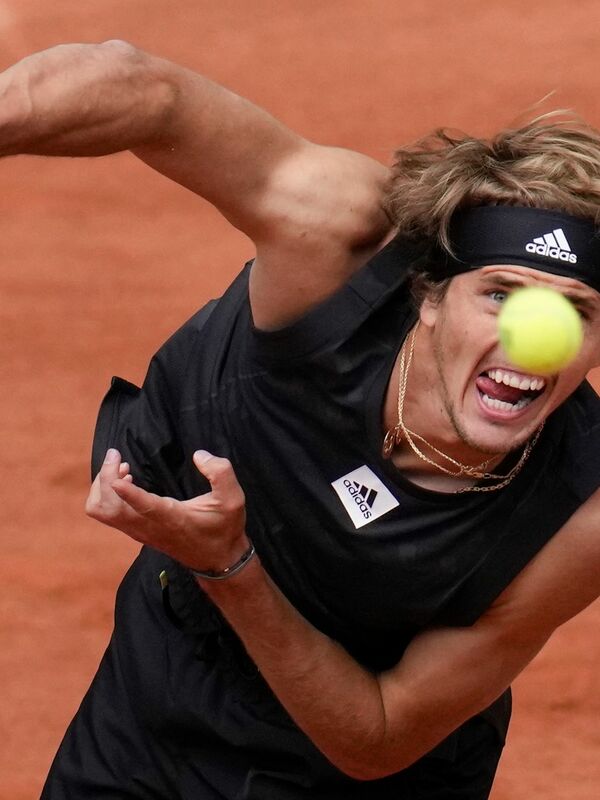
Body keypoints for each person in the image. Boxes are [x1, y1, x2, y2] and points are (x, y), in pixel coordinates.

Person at [3, 41, 600, 800]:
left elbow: (379, 736)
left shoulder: (579, 513)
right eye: (499, 294)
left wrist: (230, 565)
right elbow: (144, 91)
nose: (528, 337)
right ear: (429, 292)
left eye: (574, 310)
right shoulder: (338, 246)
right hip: (162, 688)